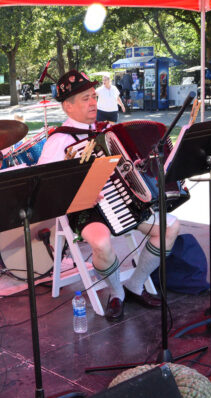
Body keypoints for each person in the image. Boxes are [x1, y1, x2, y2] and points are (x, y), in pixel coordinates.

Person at [37, 70, 180, 322]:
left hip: (124, 199)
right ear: (67, 106)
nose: (93, 102)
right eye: (85, 99)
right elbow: (44, 185)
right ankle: (116, 293)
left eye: (93, 96)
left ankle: (135, 285)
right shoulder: (58, 141)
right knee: (102, 243)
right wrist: (77, 194)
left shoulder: (109, 130)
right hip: (84, 208)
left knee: (170, 226)